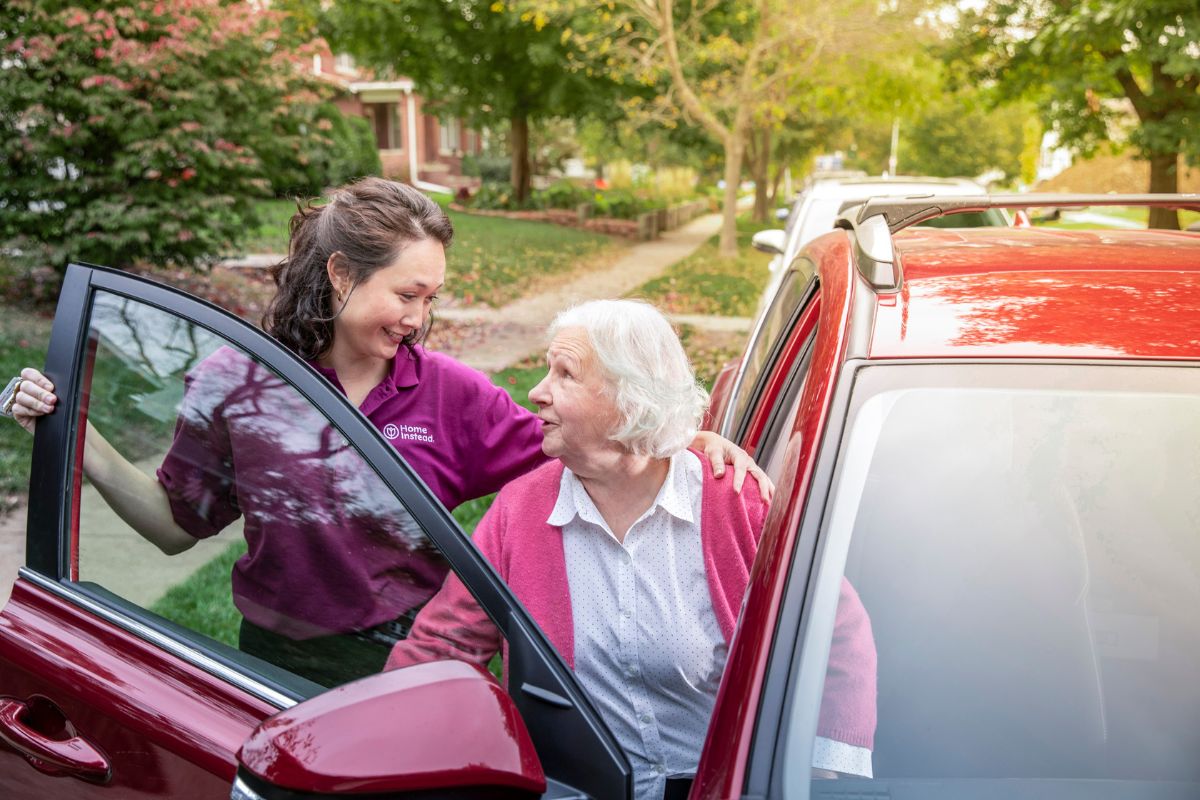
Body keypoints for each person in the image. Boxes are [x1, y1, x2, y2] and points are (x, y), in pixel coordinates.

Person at [4, 177, 771, 685]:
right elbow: (175, 529)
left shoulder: (453, 397)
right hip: (275, 663)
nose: (420, 320)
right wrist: (77, 434)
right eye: (408, 293)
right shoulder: (235, 386)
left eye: (431, 298)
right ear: (341, 275)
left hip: (422, 660)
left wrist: (683, 443)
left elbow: (588, 445)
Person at [385, 299, 876, 798]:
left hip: (718, 786)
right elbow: (443, 644)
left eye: (565, 375)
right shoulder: (520, 510)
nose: (537, 392)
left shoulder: (732, 502)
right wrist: (382, 742)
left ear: (630, 398)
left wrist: (823, 770)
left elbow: (833, 627)